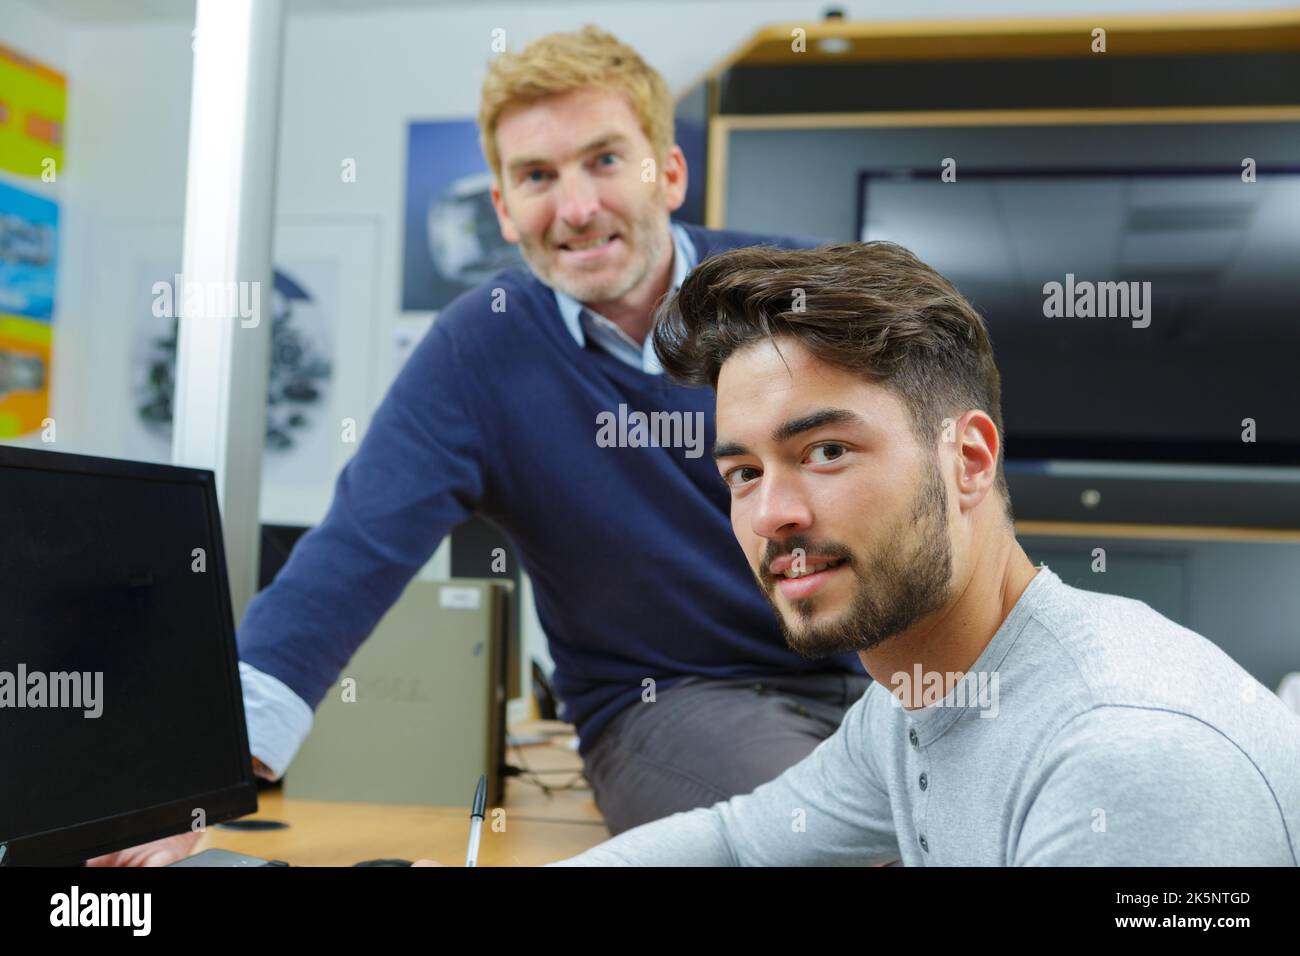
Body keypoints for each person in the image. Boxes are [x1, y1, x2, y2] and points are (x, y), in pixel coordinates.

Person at [91, 26, 870, 867]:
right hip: (673, 705)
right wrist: (185, 779)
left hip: (882, 664)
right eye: (537, 176)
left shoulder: (796, 290)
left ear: (668, 172)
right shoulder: (479, 352)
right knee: (821, 842)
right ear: (502, 207)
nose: (574, 208)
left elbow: (934, 483)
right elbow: (349, 556)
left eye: (605, 160)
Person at [541, 240, 1300, 866]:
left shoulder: (1125, 758)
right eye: (744, 473)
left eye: (827, 450)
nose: (772, 514)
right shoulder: (916, 697)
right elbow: (738, 845)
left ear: (967, 460)